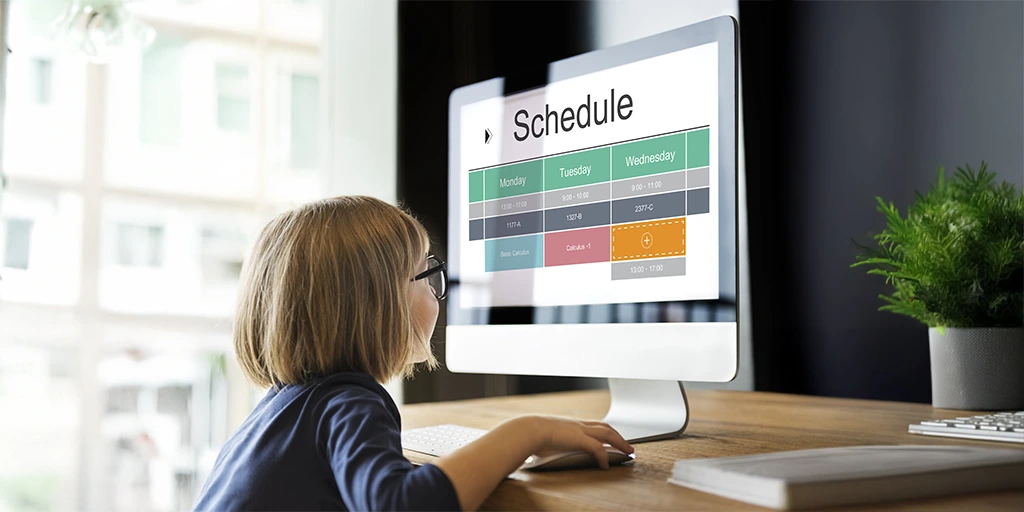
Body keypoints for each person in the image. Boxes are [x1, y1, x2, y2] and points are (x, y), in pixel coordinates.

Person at [194, 196, 632, 512]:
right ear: (376, 302)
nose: (437, 291)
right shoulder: (349, 403)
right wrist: (526, 433)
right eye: (427, 274)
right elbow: (404, 504)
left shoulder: (279, 406)